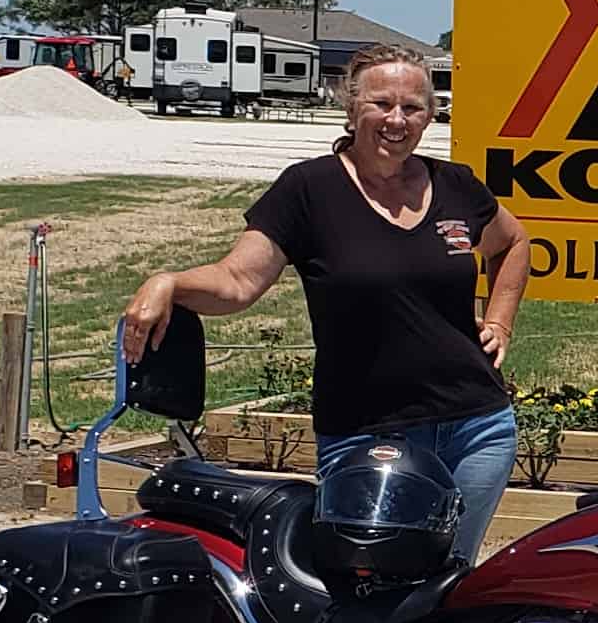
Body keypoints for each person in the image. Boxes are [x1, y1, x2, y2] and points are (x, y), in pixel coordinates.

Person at [118, 47, 532, 565]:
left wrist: (500, 322)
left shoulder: (455, 186)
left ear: (430, 115)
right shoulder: (309, 189)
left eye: (412, 107)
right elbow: (237, 280)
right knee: (368, 582)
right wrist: (169, 282)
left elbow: (513, 243)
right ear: (352, 108)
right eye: (382, 104)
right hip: (366, 434)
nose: (397, 120)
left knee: (450, 579)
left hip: (477, 428)